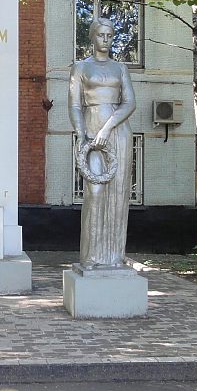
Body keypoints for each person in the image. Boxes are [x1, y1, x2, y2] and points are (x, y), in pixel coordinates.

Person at [68, 16, 136, 269]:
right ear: (92, 36)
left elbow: (130, 103)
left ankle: (115, 257)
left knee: (118, 195)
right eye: (101, 35)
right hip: (91, 131)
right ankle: (91, 257)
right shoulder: (81, 68)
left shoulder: (121, 68)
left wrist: (108, 127)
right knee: (95, 193)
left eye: (110, 35)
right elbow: (74, 105)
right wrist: (81, 132)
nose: (105, 40)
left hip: (117, 132)